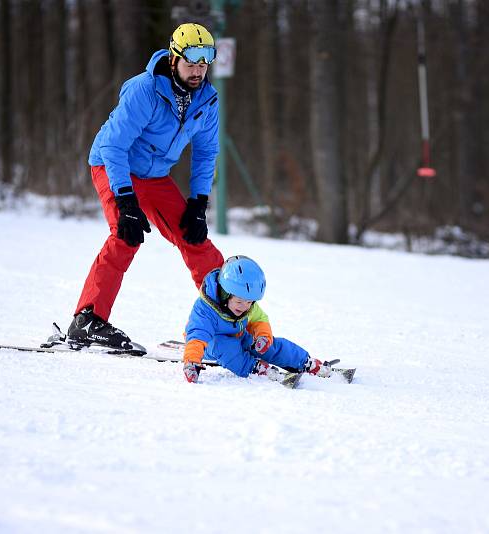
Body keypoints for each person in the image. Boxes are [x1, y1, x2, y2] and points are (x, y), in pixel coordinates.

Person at [67, 23, 225, 349]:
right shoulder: (144, 90)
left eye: (203, 65)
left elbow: (207, 152)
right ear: (173, 58)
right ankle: (87, 319)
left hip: (154, 176)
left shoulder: (207, 100)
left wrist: (198, 203)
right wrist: (126, 202)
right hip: (115, 166)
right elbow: (113, 147)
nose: (197, 72)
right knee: (125, 235)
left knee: (194, 237)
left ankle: (227, 318)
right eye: (191, 64)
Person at [182, 255, 333, 383]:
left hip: (239, 336)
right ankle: (253, 368)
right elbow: (197, 335)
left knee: (269, 345)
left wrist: (263, 337)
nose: (245, 307)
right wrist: (192, 361)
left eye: (249, 302)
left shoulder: (247, 306)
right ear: (225, 294)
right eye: (240, 301)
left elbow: (259, 319)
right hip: (210, 344)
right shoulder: (205, 310)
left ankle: (304, 362)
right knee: (226, 347)